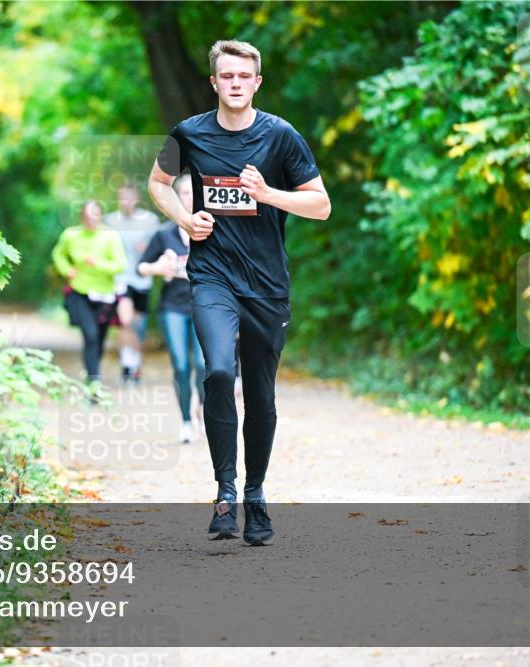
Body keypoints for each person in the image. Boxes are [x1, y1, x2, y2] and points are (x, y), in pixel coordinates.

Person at [147, 40, 331, 546]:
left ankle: (256, 493)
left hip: (267, 287)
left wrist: (268, 194)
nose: (234, 83)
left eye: (242, 76)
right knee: (219, 372)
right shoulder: (188, 133)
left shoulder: (281, 137)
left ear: (256, 83)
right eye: (225, 76)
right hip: (212, 276)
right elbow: (158, 182)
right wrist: (185, 220)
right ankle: (224, 492)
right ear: (214, 83)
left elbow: (321, 205)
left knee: (261, 395)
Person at [137, 174, 205, 444]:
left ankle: (201, 408)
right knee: (180, 365)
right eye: (185, 193)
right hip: (172, 308)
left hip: (205, 308)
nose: (190, 198)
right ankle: (186, 421)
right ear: (176, 198)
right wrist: (157, 268)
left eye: (194, 193)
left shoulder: (212, 228)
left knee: (203, 364)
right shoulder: (164, 233)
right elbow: (141, 267)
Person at [51, 200, 127, 384]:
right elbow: (58, 254)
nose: (90, 220)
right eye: (87, 216)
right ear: (81, 217)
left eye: (95, 216)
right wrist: (66, 269)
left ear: (100, 217)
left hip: (104, 294)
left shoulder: (110, 236)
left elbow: (120, 265)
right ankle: (94, 382)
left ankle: (92, 372)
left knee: (99, 339)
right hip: (79, 291)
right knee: (90, 334)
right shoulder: (71, 235)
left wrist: (98, 264)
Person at [105, 183, 160, 383]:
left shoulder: (150, 221)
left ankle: (134, 362)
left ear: (136, 199)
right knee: (125, 321)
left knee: (138, 325)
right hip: (120, 277)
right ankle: (126, 362)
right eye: (122, 198)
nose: (126, 202)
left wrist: (147, 248)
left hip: (143, 280)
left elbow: (159, 247)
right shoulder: (110, 221)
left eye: (129, 198)